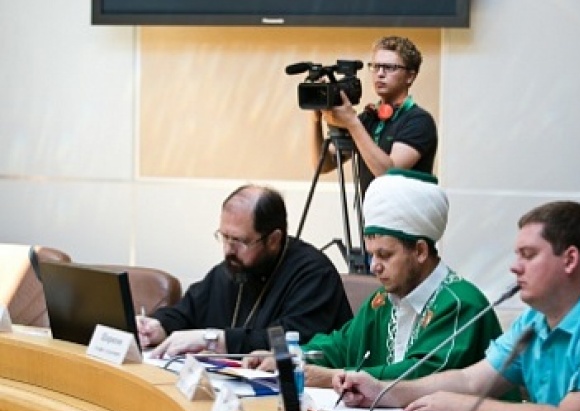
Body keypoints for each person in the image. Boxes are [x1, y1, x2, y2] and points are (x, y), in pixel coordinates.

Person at [335, 201, 580, 411]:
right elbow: (471, 381)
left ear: (570, 260)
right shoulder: (536, 321)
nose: (514, 266)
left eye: (528, 255)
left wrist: (462, 408)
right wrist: (382, 391)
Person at [249, 169, 506, 390]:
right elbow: (341, 346)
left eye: (384, 255)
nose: (374, 266)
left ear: (420, 251)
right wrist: (288, 357)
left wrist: (333, 378)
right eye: (371, 254)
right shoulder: (382, 300)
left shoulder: (460, 304)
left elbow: (420, 376)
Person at [138, 184, 353, 358]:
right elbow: (188, 310)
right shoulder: (233, 268)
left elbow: (291, 341)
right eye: (224, 237)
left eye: (239, 240)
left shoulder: (314, 274)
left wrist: (215, 341)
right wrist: (159, 326)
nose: (228, 250)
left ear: (273, 239)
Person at [310, 36, 437, 199]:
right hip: (370, 213)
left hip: (404, 214)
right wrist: (315, 120)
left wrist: (352, 123)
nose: (380, 74)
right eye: (376, 67)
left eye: (389, 67)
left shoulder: (418, 121)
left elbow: (388, 175)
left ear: (410, 76)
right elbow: (323, 165)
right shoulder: (369, 118)